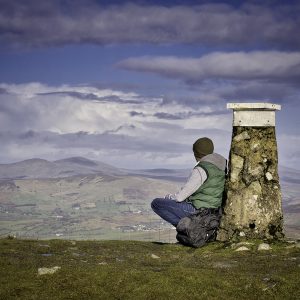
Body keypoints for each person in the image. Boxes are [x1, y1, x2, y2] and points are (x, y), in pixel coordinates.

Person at [151, 137, 227, 227]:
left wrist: (168, 197)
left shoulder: (202, 169)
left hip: (199, 210)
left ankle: (188, 229)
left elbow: (180, 197)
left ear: (197, 153)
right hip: (215, 210)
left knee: (156, 203)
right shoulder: (223, 165)